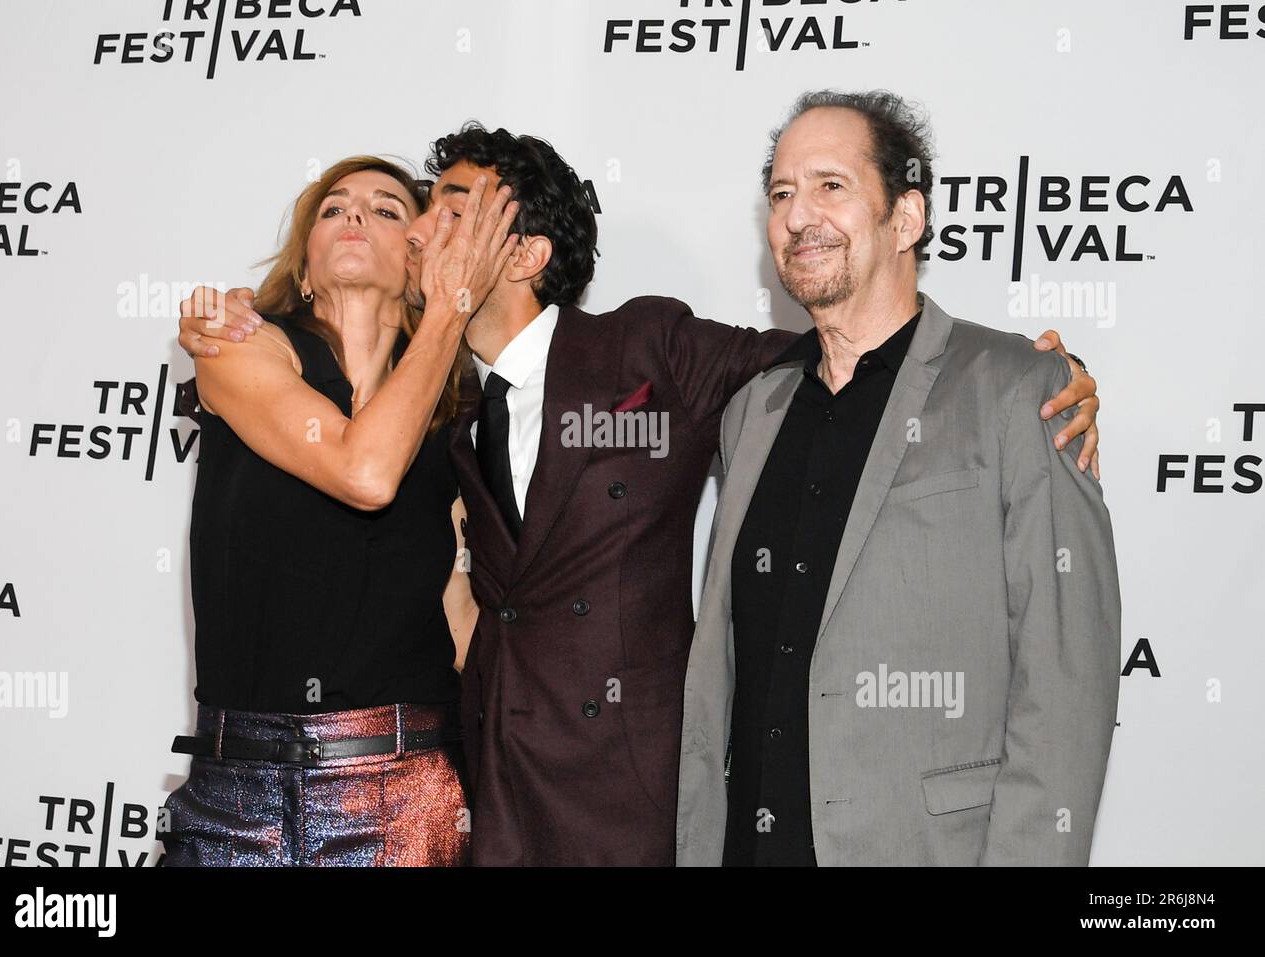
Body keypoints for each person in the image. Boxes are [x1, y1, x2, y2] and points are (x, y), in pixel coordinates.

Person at [176, 124, 1101, 866]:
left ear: (525, 250)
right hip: (481, 802)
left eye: (448, 211)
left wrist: (1036, 372)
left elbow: (838, 349)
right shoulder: (442, 405)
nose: (417, 230)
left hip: (625, 805)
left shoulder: (643, 350)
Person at [676, 91, 1121, 866]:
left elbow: (1067, 686)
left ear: (906, 219)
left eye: (830, 186)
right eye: (781, 194)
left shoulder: (1020, 389)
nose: (796, 213)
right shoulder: (753, 412)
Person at [161, 155, 518, 866]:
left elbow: (460, 605)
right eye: (334, 207)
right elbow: (364, 471)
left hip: (408, 787)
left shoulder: (462, 412)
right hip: (236, 791)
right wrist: (450, 307)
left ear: (417, 261)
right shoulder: (241, 348)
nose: (355, 214)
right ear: (304, 269)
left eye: (387, 209)